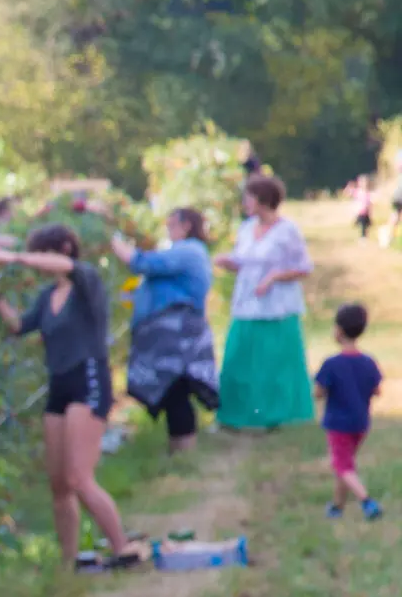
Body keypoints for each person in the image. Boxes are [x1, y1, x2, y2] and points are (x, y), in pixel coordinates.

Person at [0, 226, 142, 571]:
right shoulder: (47, 296)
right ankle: (69, 561)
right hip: (58, 385)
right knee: (59, 484)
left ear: (64, 249)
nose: (37, 266)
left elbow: (66, 267)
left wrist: (13, 256)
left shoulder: (87, 281)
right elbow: (20, 326)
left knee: (78, 477)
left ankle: (123, 547)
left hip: (88, 380)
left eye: (42, 255)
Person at [112, 208, 217, 453]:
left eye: (172, 224)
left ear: (187, 225)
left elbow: (143, 263)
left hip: (177, 332)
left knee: (176, 387)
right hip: (171, 331)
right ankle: (179, 449)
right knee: (173, 390)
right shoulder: (184, 251)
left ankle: (184, 450)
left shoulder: (188, 251)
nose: (168, 229)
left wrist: (113, 241)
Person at [216, 176, 315, 430]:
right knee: (239, 358)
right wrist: (230, 263)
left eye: (249, 197)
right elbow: (244, 260)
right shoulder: (246, 228)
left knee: (273, 364)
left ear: (263, 199)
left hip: (276, 307)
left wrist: (274, 277)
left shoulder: (287, 230)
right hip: (246, 304)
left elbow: (303, 267)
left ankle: (273, 416)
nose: (245, 203)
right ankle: (234, 415)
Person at [315, 303, 384, 520]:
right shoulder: (369, 362)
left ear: (338, 330)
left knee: (341, 465)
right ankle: (337, 507)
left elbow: (318, 393)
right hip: (361, 423)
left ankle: (367, 501)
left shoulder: (331, 364)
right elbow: (377, 390)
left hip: (338, 424)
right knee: (345, 465)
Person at [352, 174, 375, 239]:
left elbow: (370, 202)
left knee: (367, 224)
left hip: (366, 212)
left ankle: (365, 235)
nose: (364, 184)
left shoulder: (368, 192)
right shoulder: (358, 192)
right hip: (361, 211)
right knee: (363, 224)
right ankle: (363, 236)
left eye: (365, 182)